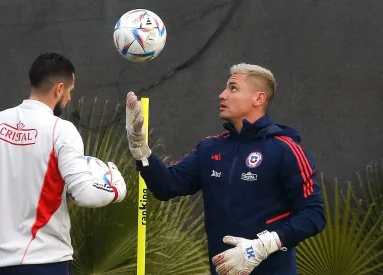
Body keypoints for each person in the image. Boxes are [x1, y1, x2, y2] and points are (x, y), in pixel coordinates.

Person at [125, 63, 326, 275]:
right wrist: (141, 150)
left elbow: (314, 215)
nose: (222, 95)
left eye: (233, 88)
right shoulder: (210, 148)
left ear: (258, 99)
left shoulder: (285, 149)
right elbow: (166, 186)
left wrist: (264, 245)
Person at [0, 52, 127, 275]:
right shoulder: (61, 130)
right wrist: (116, 189)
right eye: (70, 92)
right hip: (47, 261)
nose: (69, 98)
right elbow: (85, 193)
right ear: (59, 89)